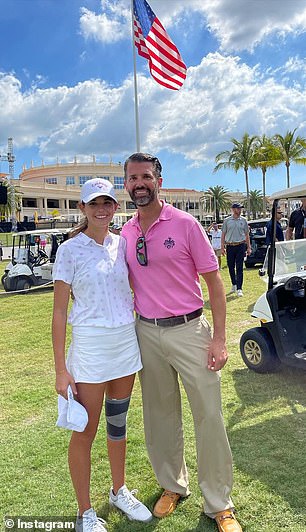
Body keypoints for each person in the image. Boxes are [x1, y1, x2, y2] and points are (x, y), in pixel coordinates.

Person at [121, 153, 242, 532]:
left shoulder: (186, 224)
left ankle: (219, 502)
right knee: (160, 416)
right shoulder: (126, 231)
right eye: (132, 178)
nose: (139, 183)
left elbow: (215, 284)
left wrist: (219, 339)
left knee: (208, 415)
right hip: (147, 333)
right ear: (125, 184)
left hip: (190, 331)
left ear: (159, 180)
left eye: (146, 176)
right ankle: (173, 486)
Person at [52, 178, 152, 532]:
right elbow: (60, 312)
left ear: (114, 206)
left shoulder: (122, 244)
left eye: (107, 202)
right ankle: (85, 513)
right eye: (93, 203)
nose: (101, 209)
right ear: (82, 208)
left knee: (118, 424)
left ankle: (118, 490)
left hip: (125, 343)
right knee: (85, 430)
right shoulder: (69, 250)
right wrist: (61, 369)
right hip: (91, 349)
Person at [221, 203, 251, 297]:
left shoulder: (244, 220)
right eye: (238, 208)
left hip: (240, 245)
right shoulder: (227, 221)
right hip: (230, 246)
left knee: (239, 267)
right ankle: (234, 284)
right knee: (230, 266)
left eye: (240, 208)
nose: (240, 210)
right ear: (233, 209)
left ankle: (239, 288)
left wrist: (249, 247)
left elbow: (247, 235)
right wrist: (222, 247)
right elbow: (223, 234)